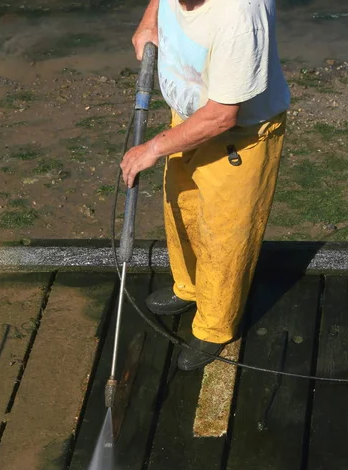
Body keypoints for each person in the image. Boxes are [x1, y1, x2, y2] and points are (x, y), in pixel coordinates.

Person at [120, 0, 290, 371]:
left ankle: (215, 326)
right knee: (180, 206)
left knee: (224, 234)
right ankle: (190, 287)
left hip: (238, 137)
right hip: (187, 120)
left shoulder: (241, 16)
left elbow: (221, 117)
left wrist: (153, 148)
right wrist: (150, 22)